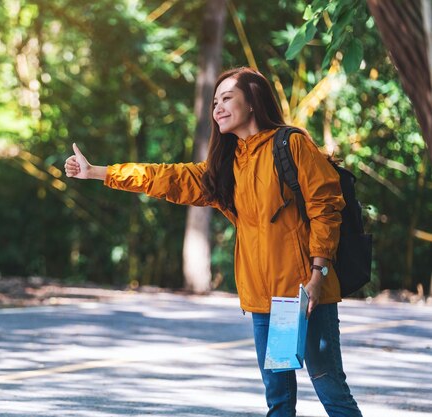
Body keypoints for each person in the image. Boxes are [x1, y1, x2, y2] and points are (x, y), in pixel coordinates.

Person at [64, 66, 362, 417]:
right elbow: (167, 177)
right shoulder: (227, 166)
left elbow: (326, 208)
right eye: (215, 101)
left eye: (227, 98)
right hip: (265, 302)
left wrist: (318, 273)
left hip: (304, 295)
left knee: (330, 388)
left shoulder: (291, 144)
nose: (217, 107)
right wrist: (99, 172)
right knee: (278, 399)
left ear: (252, 102)